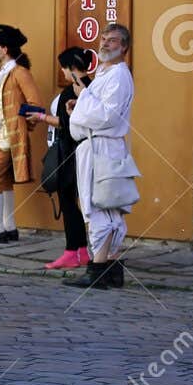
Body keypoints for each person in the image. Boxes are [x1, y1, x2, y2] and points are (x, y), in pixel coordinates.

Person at [67, 23, 137, 290]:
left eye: (113, 41)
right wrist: (80, 103)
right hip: (94, 145)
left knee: (101, 206)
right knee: (105, 206)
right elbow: (95, 107)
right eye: (104, 39)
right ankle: (110, 266)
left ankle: (97, 268)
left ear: (124, 47)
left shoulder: (119, 75)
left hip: (102, 147)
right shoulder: (104, 73)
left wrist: (82, 97)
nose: (105, 44)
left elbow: (106, 115)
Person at [0, 23, 45, 245]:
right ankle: (9, 227)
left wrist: (21, 126)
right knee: (3, 181)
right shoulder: (6, 73)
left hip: (7, 137)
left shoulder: (19, 72)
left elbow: (35, 106)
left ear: (5, 49)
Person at [37, 47, 94, 270]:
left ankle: (73, 250)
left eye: (63, 67)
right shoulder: (92, 86)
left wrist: (41, 117)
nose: (61, 71)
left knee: (69, 203)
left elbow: (65, 123)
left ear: (71, 68)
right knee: (79, 204)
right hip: (84, 150)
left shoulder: (73, 91)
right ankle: (81, 250)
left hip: (69, 152)